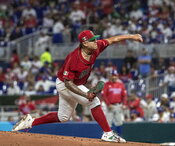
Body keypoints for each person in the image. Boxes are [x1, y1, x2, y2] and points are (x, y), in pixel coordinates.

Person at [12, 30, 143, 143]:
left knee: (63, 117)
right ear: (85, 43)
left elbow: (112, 39)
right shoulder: (74, 59)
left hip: (74, 84)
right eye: (92, 40)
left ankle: (30, 122)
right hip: (65, 84)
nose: (95, 41)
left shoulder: (96, 47)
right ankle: (108, 133)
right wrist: (86, 95)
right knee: (94, 102)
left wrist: (132, 36)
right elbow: (69, 83)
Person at [102, 70, 128, 135]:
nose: (114, 77)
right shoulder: (106, 84)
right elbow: (104, 96)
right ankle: (107, 136)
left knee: (119, 122)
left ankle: (119, 136)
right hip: (110, 106)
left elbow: (124, 96)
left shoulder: (121, 84)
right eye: (112, 76)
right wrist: (108, 104)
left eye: (115, 76)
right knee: (108, 122)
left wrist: (124, 104)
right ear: (110, 76)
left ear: (117, 76)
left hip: (118, 105)